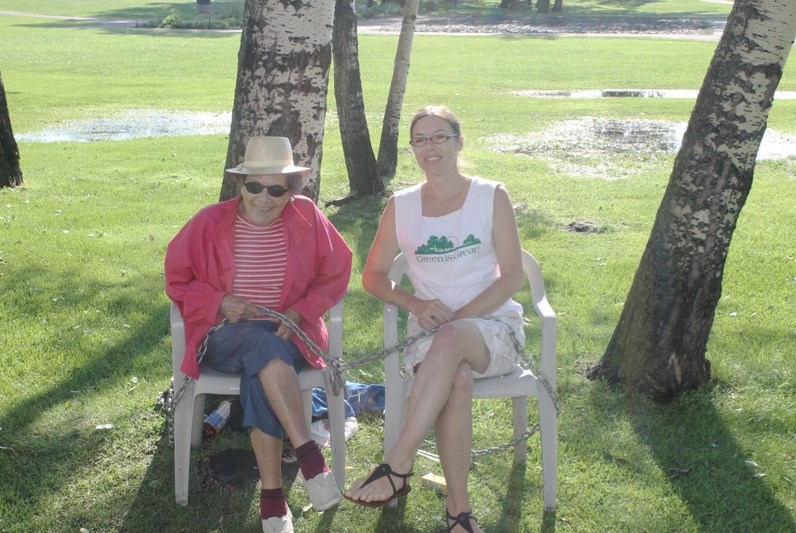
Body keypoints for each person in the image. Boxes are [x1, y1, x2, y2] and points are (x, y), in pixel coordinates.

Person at [344, 106, 526, 533]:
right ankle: (459, 513)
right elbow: (372, 276)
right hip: (431, 331)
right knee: (455, 379)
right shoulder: (401, 206)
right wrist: (414, 304)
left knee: (454, 340)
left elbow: (513, 277)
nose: (430, 147)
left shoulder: (490, 195)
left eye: (439, 137)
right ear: (412, 149)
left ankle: (397, 462)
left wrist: (458, 319)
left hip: (493, 328)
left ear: (459, 142)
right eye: (420, 140)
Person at [165, 136, 352, 533]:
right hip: (225, 335)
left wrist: (302, 310)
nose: (263, 198)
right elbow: (176, 280)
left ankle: (273, 499)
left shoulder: (308, 217)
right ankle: (309, 458)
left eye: (276, 189)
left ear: (290, 192)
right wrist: (217, 301)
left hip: (290, 334)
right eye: (254, 186)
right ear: (241, 185)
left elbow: (337, 272)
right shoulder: (209, 221)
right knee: (261, 345)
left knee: (261, 365)